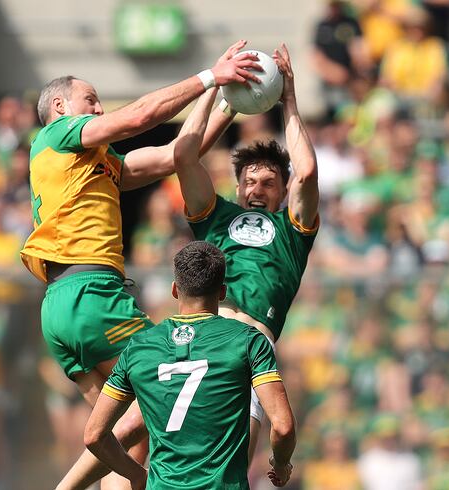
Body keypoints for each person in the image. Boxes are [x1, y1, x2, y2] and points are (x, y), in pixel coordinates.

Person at [19, 40, 263, 490]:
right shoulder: (57, 135)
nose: (97, 109)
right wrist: (209, 76)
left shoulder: (98, 165)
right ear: (59, 105)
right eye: (90, 100)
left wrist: (228, 100)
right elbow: (138, 117)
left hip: (60, 307)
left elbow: (179, 154)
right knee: (174, 380)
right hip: (93, 297)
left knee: (127, 436)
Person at [175, 43, 319, 459]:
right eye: (249, 182)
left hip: (248, 349)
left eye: (268, 183)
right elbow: (184, 153)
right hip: (198, 334)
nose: (257, 190)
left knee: (232, 466)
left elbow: (306, 171)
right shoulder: (215, 215)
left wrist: (288, 99)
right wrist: (218, 89)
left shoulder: (293, 231)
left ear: (282, 191)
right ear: (237, 187)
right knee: (149, 445)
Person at [84, 241, 296, 489]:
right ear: (222, 292)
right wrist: (281, 464)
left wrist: (136, 474)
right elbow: (282, 427)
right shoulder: (248, 341)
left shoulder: (139, 347)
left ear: (175, 290)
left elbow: (94, 435)